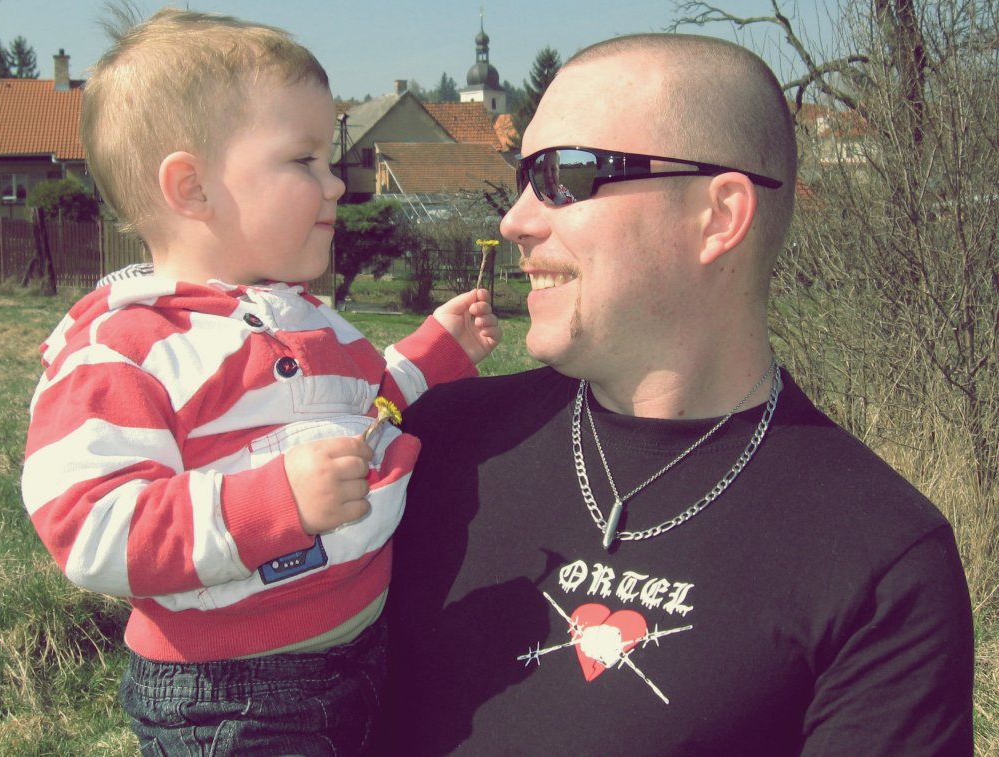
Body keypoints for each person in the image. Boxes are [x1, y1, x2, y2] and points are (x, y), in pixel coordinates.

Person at [381, 33, 974, 755]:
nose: (516, 221)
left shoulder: (879, 560)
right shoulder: (430, 448)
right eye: (521, 178)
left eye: (565, 174)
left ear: (719, 216)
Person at [20, 9, 498, 756]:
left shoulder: (313, 321)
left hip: (365, 650)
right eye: (304, 160)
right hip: (229, 694)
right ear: (192, 187)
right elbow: (90, 527)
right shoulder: (126, 349)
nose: (335, 183)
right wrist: (274, 503)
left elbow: (365, 410)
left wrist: (433, 355)